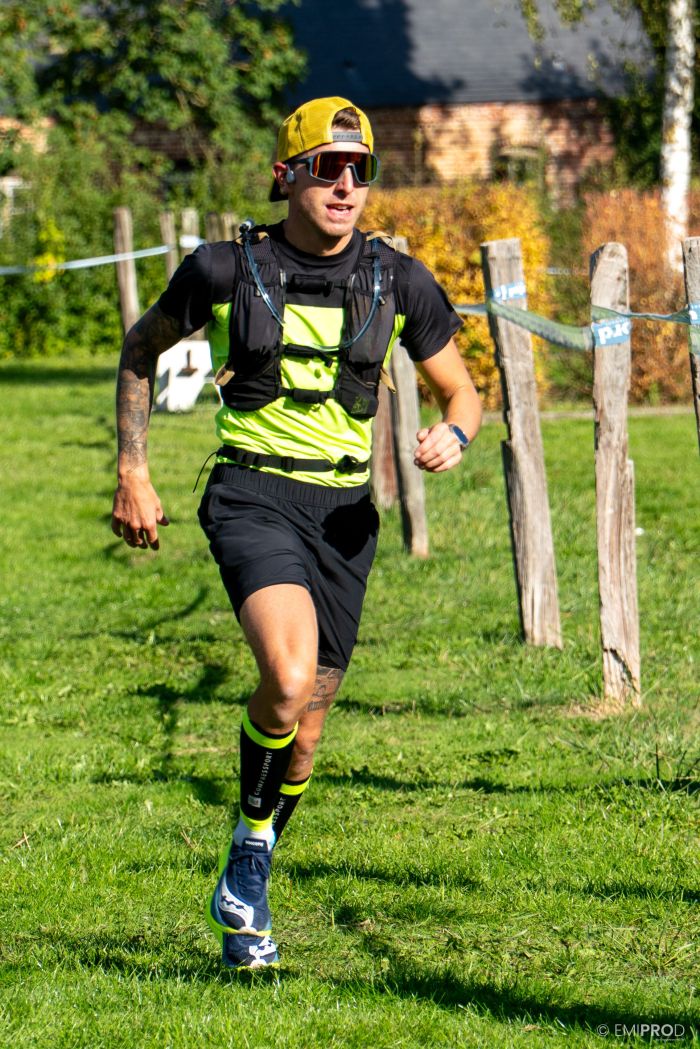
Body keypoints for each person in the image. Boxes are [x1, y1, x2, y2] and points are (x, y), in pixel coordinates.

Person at [111, 96, 482, 970]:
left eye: (361, 171)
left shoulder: (400, 280)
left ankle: (250, 882)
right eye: (327, 168)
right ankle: (249, 855)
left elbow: (462, 391)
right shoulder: (223, 269)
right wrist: (133, 468)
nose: (346, 186)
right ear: (287, 175)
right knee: (283, 677)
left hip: (346, 519)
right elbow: (140, 347)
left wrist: (455, 433)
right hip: (253, 496)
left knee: (307, 729)